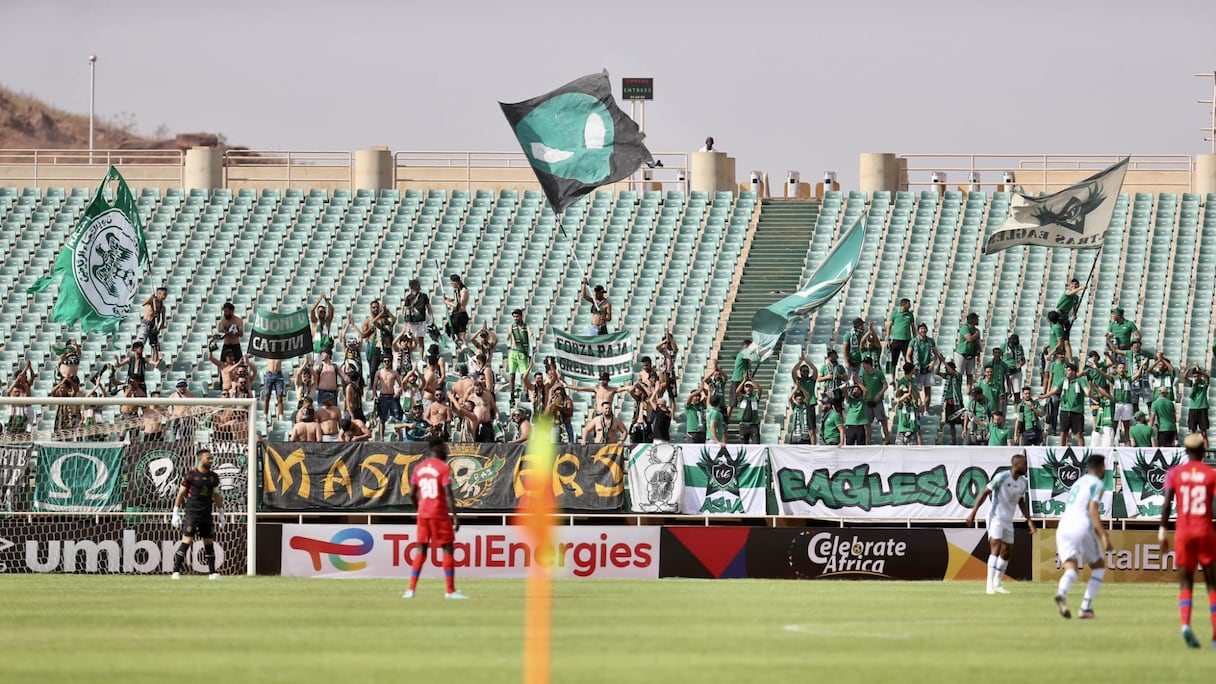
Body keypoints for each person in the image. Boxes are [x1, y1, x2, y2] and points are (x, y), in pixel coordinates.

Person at [1159, 434, 1216, 648]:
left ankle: (1185, 624)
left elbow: (1166, 505)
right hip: (1204, 530)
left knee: (1185, 583)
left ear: (1185, 451)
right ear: (1203, 450)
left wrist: (1162, 533)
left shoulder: (1175, 473)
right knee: (1212, 584)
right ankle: (1215, 635)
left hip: (1183, 532)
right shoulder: (1211, 474)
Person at [403, 439, 466, 600]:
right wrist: (455, 517)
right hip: (438, 512)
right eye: (444, 447)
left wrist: (419, 508)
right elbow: (448, 494)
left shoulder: (419, 468)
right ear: (437, 448)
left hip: (423, 513)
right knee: (447, 548)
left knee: (421, 550)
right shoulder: (443, 468)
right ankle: (450, 591)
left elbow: (411, 493)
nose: (446, 450)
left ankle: (411, 590)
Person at [965, 452, 1035, 595]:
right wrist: (973, 512)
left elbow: (1021, 502)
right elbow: (985, 492)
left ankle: (997, 583)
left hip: (1008, 520)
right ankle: (989, 586)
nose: (1026, 467)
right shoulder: (1001, 477)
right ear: (1016, 465)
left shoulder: (1023, 482)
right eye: (1024, 464)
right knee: (995, 549)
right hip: (995, 517)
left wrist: (1029, 521)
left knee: (1006, 552)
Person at [1054, 453, 1113, 620]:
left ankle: (1062, 592)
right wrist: (1104, 536)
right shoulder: (1098, 484)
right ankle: (1085, 607)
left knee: (1071, 569)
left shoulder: (1078, 482)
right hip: (1081, 526)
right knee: (1099, 567)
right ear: (1102, 468)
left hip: (1063, 526)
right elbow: (1093, 510)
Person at [170, 449, 224, 580]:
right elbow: (181, 494)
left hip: (207, 514)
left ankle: (212, 573)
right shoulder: (191, 475)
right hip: (192, 514)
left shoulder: (214, 477)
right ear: (200, 459)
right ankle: (176, 571)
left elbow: (216, 495)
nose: (211, 461)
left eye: (211, 458)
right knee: (187, 541)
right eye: (208, 458)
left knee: (209, 542)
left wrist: (221, 512)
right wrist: (175, 512)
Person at [1038, 363, 1090, 447]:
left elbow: (1087, 392)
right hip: (1065, 410)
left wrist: (1091, 390)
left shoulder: (1081, 380)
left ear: (1073, 372)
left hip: (1077, 411)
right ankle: (1061, 451)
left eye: (1068, 370)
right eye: (1066, 370)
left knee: (1079, 433)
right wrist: (1044, 396)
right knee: (1063, 433)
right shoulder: (1063, 380)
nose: (1066, 372)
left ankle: (1082, 451)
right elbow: (1054, 390)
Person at [907, 324, 939, 413]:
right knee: (917, 390)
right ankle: (918, 408)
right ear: (918, 330)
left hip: (928, 368)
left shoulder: (930, 341)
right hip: (917, 369)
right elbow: (908, 355)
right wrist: (912, 367)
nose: (923, 330)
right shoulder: (913, 341)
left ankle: (926, 410)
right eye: (921, 328)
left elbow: (936, 354)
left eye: (924, 328)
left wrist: (932, 363)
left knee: (928, 390)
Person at [859, 356, 889, 444]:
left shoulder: (878, 373)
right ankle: (868, 441)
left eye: (865, 364)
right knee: (867, 423)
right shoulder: (864, 374)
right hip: (868, 402)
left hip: (878, 401)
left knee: (883, 421)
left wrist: (879, 395)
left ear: (869, 364)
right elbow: (864, 385)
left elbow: (885, 385)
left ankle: (887, 439)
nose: (863, 365)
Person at [885, 298, 915, 381]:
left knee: (908, 360)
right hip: (896, 340)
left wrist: (915, 338)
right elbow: (889, 326)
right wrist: (887, 339)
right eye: (908, 304)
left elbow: (913, 327)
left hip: (907, 340)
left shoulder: (910, 315)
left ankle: (908, 377)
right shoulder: (895, 313)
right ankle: (892, 379)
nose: (910, 306)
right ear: (904, 304)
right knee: (894, 361)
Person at [137, 286, 168, 366]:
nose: (165, 296)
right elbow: (143, 304)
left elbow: (163, 321)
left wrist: (158, 328)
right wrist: (150, 297)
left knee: (155, 347)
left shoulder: (162, 307)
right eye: (164, 294)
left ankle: (155, 366)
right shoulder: (152, 301)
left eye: (166, 294)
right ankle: (137, 364)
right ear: (159, 293)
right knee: (139, 345)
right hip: (146, 324)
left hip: (153, 326)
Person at [506, 308, 531, 403]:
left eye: (517, 316)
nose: (515, 318)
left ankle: (526, 394)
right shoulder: (512, 326)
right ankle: (512, 396)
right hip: (513, 352)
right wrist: (508, 335)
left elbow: (529, 331)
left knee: (524, 376)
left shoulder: (525, 326)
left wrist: (531, 334)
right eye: (514, 316)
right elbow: (509, 332)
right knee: (512, 376)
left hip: (522, 354)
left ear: (521, 316)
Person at [373, 358, 402, 440]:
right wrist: (375, 395)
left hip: (392, 397)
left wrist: (398, 393)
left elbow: (401, 385)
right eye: (385, 361)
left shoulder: (394, 373)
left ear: (390, 362)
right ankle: (382, 438)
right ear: (382, 362)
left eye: (388, 361)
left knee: (396, 418)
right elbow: (374, 385)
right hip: (383, 397)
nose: (386, 363)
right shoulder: (379, 372)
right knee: (382, 419)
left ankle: (398, 437)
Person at [938, 360, 964, 445]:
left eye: (947, 368)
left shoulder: (958, 375)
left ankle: (964, 439)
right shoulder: (947, 376)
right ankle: (954, 441)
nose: (946, 370)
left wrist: (944, 362)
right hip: (949, 403)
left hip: (958, 402)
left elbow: (952, 372)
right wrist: (939, 362)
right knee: (951, 424)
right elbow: (937, 372)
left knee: (962, 422)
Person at [954, 312, 982, 388]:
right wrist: (977, 334)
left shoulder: (976, 330)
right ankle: (957, 390)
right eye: (977, 319)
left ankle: (969, 391)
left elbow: (977, 343)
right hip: (961, 353)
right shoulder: (965, 328)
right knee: (959, 374)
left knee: (970, 375)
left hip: (971, 354)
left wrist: (979, 355)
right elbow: (969, 338)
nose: (978, 320)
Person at [1184, 365, 1210, 445]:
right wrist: (1188, 369)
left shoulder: (1204, 383)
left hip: (1202, 408)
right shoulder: (1192, 383)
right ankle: (1193, 449)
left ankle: (1207, 453)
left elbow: (1208, 378)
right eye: (1194, 376)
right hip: (1193, 408)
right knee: (1192, 431)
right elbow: (1185, 377)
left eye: (1197, 375)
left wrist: (1201, 371)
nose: (1196, 377)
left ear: (1200, 375)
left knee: (1204, 433)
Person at [444, 274, 471, 347]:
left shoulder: (463, 291)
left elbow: (459, 305)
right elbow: (456, 301)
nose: (451, 284)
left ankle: (467, 351)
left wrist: (448, 302)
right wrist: (449, 300)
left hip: (461, 315)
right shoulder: (457, 290)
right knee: (458, 336)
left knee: (462, 336)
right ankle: (461, 349)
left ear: (456, 282)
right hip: (456, 315)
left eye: (452, 283)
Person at [729, 339, 753, 420]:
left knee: (745, 400)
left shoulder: (746, 357)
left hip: (744, 380)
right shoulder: (742, 354)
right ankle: (726, 421)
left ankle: (743, 417)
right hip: (737, 380)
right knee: (732, 403)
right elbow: (752, 357)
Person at [735, 380, 763, 444]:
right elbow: (737, 391)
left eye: (750, 387)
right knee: (743, 445)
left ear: (753, 388)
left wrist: (752, 379)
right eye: (747, 387)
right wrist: (744, 381)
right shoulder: (742, 397)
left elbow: (760, 390)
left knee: (756, 444)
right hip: (743, 425)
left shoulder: (755, 397)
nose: (748, 389)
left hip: (754, 425)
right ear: (744, 388)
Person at [310, 292, 335, 360]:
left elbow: (332, 310)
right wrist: (319, 300)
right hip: (317, 348)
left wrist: (326, 300)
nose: (322, 313)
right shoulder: (315, 322)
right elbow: (312, 310)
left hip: (326, 349)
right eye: (320, 312)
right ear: (317, 312)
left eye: (324, 312)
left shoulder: (327, 322)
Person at [1002, 333, 1027, 399]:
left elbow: (1023, 359)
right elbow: (999, 357)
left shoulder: (1019, 347)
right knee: (1006, 394)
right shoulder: (1003, 346)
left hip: (1016, 372)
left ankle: (1016, 409)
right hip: (1006, 372)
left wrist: (1021, 364)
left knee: (1017, 394)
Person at [262, 357, 286, 425]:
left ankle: (281, 417)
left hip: (278, 374)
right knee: (267, 396)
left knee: (280, 397)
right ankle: (265, 417)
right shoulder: (269, 352)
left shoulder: (280, 351)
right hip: (269, 374)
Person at [842, 318, 867, 384]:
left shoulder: (863, 335)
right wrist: (846, 362)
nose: (862, 327)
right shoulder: (849, 335)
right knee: (850, 381)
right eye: (860, 325)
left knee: (860, 380)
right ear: (856, 326)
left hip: (860, 361)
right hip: (851, 362)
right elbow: (844, 349)